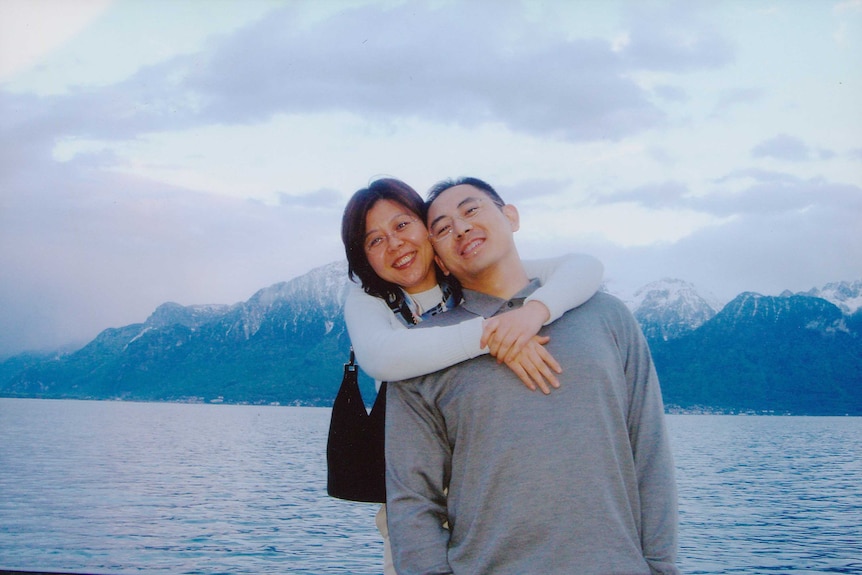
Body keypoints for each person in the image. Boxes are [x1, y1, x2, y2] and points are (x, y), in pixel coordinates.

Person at [384, 177, 680, 575]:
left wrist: (660, 567)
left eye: (471, 210)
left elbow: (649, 451)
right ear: (438, 258)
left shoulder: (606, 316)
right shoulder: (419, 352)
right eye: (442, 228)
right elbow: (412, 498)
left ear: (511, 217)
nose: (461, 227)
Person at [340, 178, 605, 574]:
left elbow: (584, 267)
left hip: (488, 491)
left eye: (401, 225)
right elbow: (381, 357)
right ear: (364, 259)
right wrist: (494, 336)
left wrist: (533, 313)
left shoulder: (471, 277)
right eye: (374, 241)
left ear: (429, 230)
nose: (394, 244)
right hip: (417, 495)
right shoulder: (369, 299)